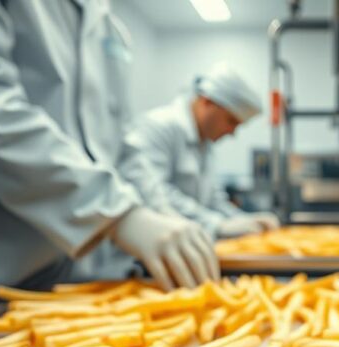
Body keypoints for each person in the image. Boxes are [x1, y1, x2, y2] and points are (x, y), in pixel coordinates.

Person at [0, 0, 217, 325]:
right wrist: (117, 213)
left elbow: (119, 144)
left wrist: (160, 216)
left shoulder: (104, 19)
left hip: (72, 286)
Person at [118, 64, 280, 241]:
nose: (232, 132)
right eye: (231, 121)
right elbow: (154, 194)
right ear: (207, 102)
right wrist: (217, 225)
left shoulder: (205, 145)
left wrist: (243, 220)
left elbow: (212, 199)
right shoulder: (159, 127)